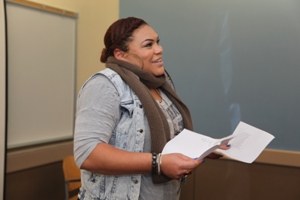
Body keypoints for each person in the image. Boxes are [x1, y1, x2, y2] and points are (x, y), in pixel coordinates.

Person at [74, 17, 229, 200]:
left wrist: (204, 147)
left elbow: (168, 141)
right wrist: (158, 163)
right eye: (148, 45)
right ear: (120, 54)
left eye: (157, 42)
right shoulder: (105, 84)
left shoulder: (158, 87)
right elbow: (87, 154)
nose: (159, 49)